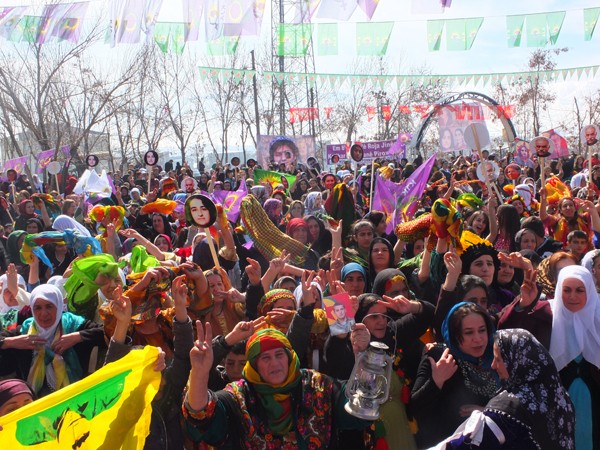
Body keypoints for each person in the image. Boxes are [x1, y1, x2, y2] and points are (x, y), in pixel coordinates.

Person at [183, 325, 371, 448]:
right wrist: (199, 373)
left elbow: (359, 409)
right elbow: (201, 416)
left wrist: (362, 356)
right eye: (265, 358)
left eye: (279, 355)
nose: (275, 363)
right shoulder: (239, 396)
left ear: (289, 358)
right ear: (254, 365)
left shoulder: (318, 386)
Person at [433, 329, 575, 450]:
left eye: (499, 359)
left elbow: (467, 445)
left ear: (518, 361)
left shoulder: (507, 409)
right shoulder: (561, 398)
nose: (494, 365)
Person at [411, 302, 500, 448]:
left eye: (482, 330)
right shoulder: (439, 356)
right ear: (454, 334)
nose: (478, 339)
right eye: (469, 332)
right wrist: (436, 381)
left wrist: (486, 412)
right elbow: (415, 410)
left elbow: (513, 402)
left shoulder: (495, 358)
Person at [550, 265, 600, 450]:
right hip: (559, 403)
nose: (572, 297)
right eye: (566, 290)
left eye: (580, 290)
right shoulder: (549, 316)